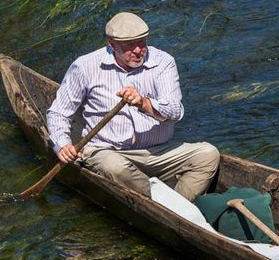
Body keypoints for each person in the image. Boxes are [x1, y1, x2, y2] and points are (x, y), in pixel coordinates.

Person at [46, 11, 219, 201]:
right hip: (108, 151)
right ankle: (164, 205)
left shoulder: (163, 62)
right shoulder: (85, 66)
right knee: (114, 167)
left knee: (208, 154)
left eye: (141, 43)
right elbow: (58, 113)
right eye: (129, 45)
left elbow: (175, 112)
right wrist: (63, 145)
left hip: (157, 151)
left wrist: (144, 103)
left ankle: (179, 206)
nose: (138, 51)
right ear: (111, 45)